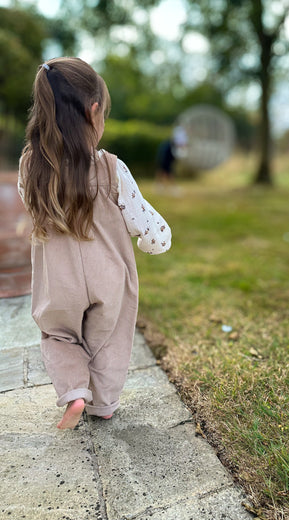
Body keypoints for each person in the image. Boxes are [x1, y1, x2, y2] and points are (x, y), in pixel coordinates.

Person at [18, 57, 171, 430]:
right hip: (109, 277)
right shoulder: (111, 169)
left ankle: (73, 393)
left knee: (58, 335)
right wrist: (157, 241)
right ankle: (103, 404)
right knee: (109, 338)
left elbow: (29, 201)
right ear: (94, 110)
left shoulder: (30, 166)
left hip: (59, 280)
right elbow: (146, 224)